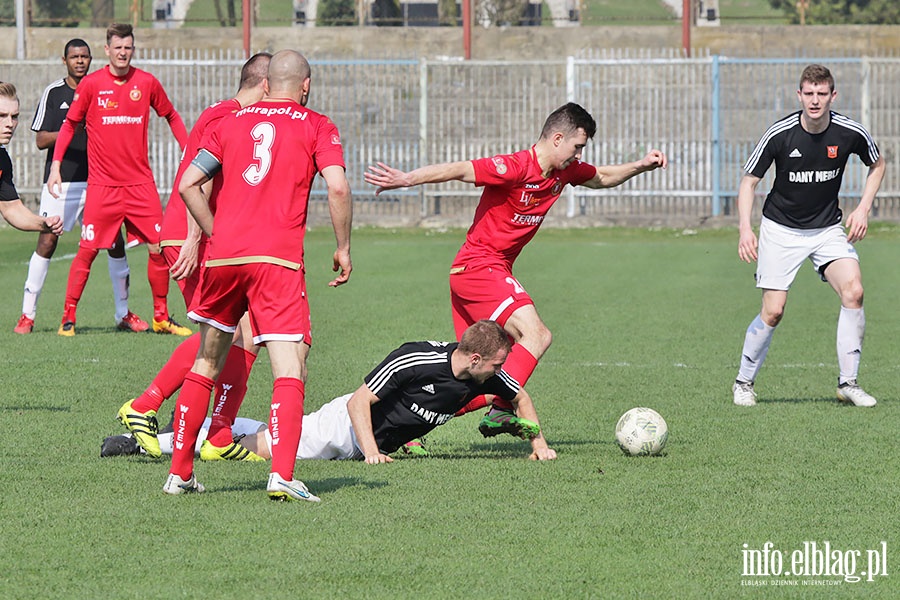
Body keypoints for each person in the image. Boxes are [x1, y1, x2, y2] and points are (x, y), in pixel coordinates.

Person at [364, 102, 666, 455]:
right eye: (577, 147)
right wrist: (408, 178)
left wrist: (640, 166)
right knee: (537, 334)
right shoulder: (514, 167)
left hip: (481, 272)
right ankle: (502, 410)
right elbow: (461, 169)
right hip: (480, 266)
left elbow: (601, 178)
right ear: (557, 138)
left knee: (474, 372)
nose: (578, 155)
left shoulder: (561, 173)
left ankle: (404, 429)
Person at [169, 50, 353, 501]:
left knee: (206, 363)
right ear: (305, 85)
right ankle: (283, 475)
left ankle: (180, 474)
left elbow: (188, 184)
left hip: (225, 259)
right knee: (290, 368)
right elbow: (338, 185)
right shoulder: (316, 124)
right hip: (279, 263)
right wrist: (343, 246)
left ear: (267, 83)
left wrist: (216, 234)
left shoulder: (229, 122)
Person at [102, 321, 549, 463]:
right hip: (345, 429)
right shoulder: (417, 359)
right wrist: (372, 452)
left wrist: (539, 444)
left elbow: (520, 397)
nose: (500, 371)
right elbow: (359, 402)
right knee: (268, 447)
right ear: (474, 359)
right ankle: (144, 445)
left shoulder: (483, 376)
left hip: (359, 440)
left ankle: (204, 427)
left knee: (264, 434)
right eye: (496, 363)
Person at [116, 52, 272, 461]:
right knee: (220, 334)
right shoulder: (223, 116)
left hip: (212, 242)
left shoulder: (242, 120)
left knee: (248, 331)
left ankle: (220, 435)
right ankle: (144, 406)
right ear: (267, 85)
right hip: (193, 240)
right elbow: (194, 180)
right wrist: (191, 240)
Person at [731, 64, 885, 408]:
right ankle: (743, 382)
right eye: (809, 93)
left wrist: (863, 209)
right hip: (780, 229)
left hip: (828, 228)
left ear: (833, 95)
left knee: (854, 291)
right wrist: (745, 228)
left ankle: (848, 383)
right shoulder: (780, 134)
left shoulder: (849, 132)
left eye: (822, 93)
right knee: (773, 311)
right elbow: (749, 181)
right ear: (799, 95)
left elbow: (877, 164)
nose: (815, 100)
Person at [47, 23, 190, 337]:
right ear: (107, 50)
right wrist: (56, 166)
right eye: (118, 47)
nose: (123, 53)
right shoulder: (92, 85)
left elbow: (172, 115)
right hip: (103, 187)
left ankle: (161, 318)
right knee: (87, 250)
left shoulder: (147, 82)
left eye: (128, 48)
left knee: (158, 248)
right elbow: (70, 125)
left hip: (141, 186)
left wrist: (188, 149)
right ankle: (68, 318)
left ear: (132, 50)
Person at [14, 39, 133, 335]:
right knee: (47, 241)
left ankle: (123, 314)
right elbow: (40, 140)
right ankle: (27, 316)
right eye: (73, 57)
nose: (79, 61)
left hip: (99, 181)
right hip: (62, 182)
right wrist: (75, 126)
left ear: (91, 58)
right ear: (64, 60)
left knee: (115, 242)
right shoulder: (55, 93)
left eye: (84, 56)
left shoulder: (104, 89)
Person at [0, 82, 64, 236]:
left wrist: (43, 223)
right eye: (2, 115)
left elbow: (11, 207)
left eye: (14, 116)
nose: (10, 124)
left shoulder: (2, 159)